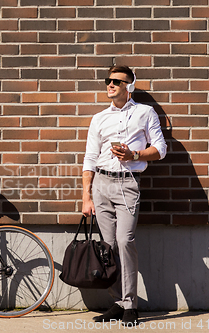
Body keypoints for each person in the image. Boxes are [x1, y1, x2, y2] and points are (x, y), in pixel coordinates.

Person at [82, 65, 167, 326]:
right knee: (108, 247)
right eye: (108, 80)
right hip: (102, 185)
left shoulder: (145, 113)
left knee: (125, 241)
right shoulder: (99, 118)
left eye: (117, 82)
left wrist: (135, 155)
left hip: (128, 184)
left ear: (129, 86)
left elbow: (161, 149)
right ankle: (118, 302)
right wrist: (87, 196)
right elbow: (90, 158)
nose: (110, 85)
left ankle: (130, 304)